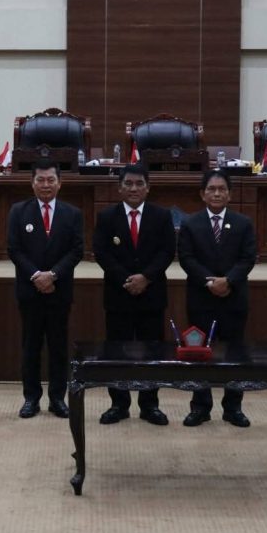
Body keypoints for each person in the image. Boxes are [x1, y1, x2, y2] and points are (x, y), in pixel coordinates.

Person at [91, 163, 175, 426]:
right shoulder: (107, 216)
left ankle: (150, 405)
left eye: (139, 184)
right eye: (128, 183)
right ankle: (119, 404)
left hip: (151, 295)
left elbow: (167, 251)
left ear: (148, 188)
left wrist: (145, 278)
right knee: (117, 351)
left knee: (152, 352)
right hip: (119, 294)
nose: (134, 188)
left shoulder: (161, 216)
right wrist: (126, 279)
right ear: (119, 188)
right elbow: (101, 252)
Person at [178, 169, 257, 428]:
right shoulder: (190, 223)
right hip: (201, 298)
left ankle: (233, 408)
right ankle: (200, 407)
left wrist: (228, 281)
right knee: (199, 353)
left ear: (230, 194)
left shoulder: (243, 223)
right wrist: (210, 282)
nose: (216, 193)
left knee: (235, 354)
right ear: (202, 194)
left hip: (234, 298)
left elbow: (248, 258)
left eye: (222, 189)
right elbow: (186, 258)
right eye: (211, 189)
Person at [7, 160, 84, 419]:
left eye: (51, 180)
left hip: (59, 290)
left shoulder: (72, 213)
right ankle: (31, 398)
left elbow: (76, 250)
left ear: (60, 183)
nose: (46, 185)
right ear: (32, 183)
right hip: (30, 291)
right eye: (40, 180)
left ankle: (57, 398)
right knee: (31, 347)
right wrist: (36, 276)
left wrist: (53, 275)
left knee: (58, 347)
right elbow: (14, 249)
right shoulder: (18, 211)